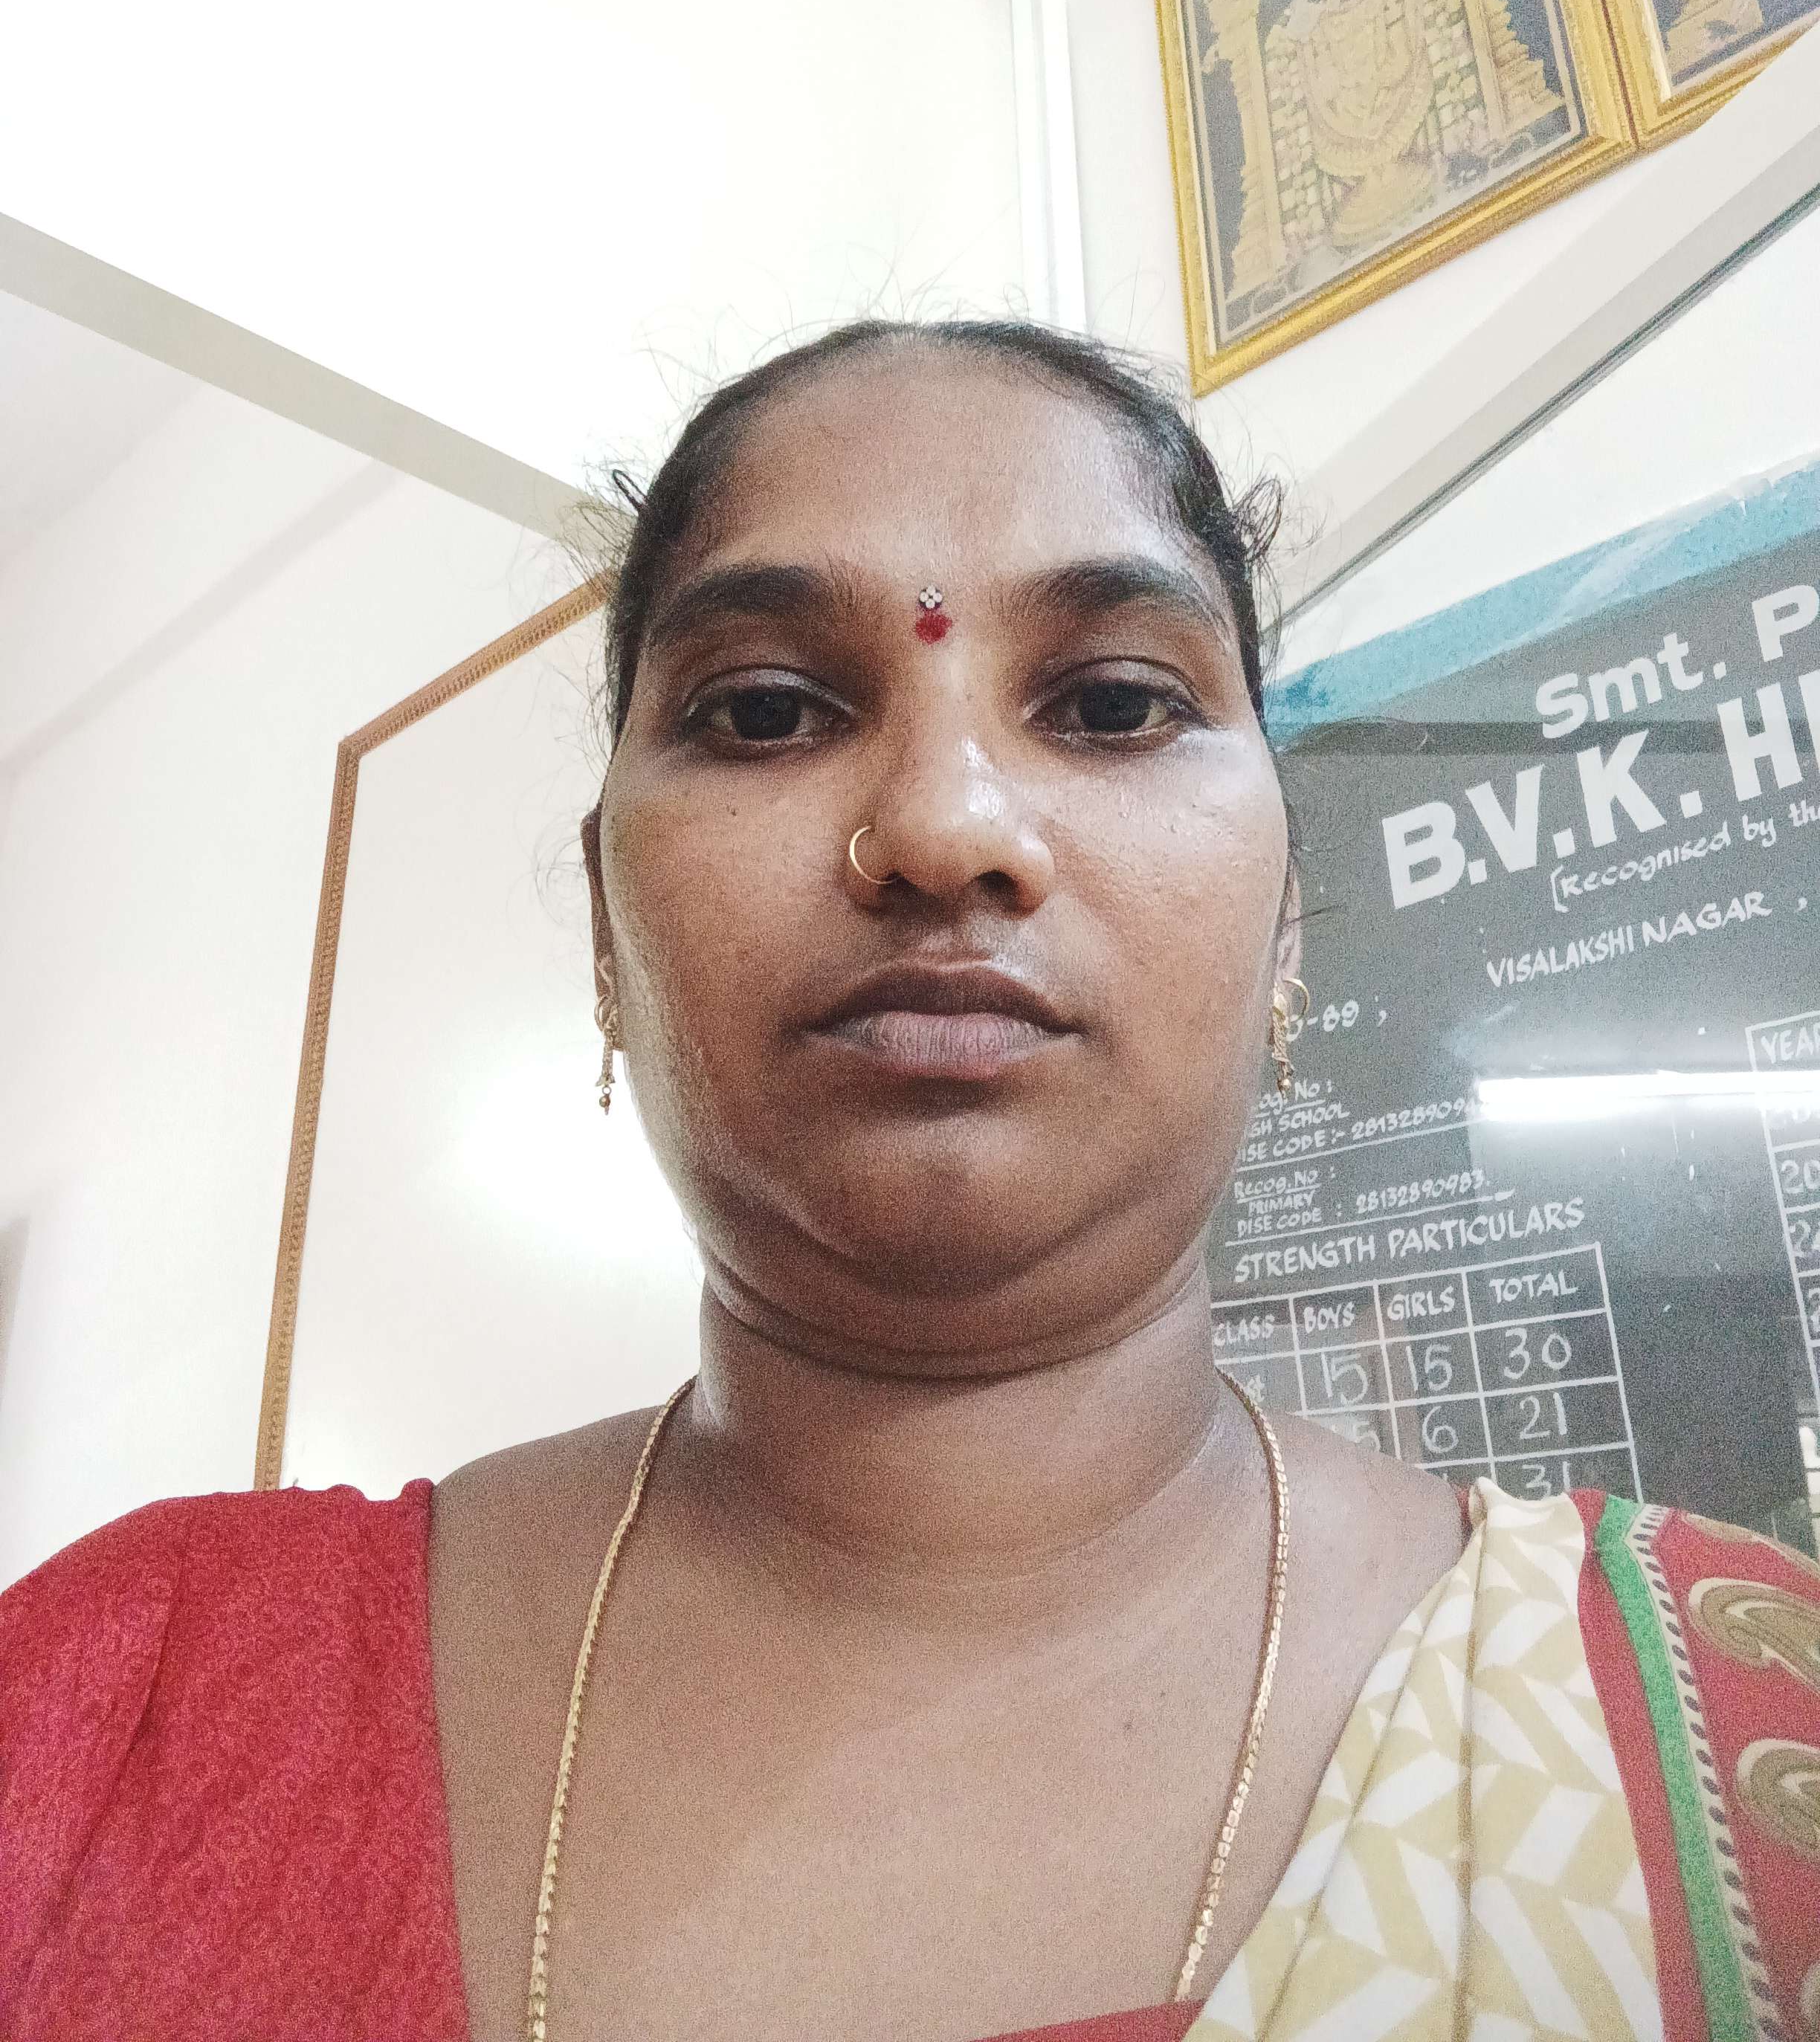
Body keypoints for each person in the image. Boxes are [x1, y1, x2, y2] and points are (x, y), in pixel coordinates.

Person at [3, 318, 1819, 2042]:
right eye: (767, 713)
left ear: (1286, 931)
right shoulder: (115, 1708)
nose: (948, 827)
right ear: (607, 944)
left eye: (1113, 703)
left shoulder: (1750, 1734)